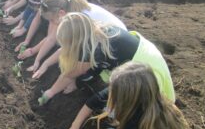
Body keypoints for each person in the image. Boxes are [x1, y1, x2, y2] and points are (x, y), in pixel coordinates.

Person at [38, 12, 175, 105]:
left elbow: (69, 75)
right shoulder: (97, 31)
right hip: (147, 52)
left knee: (137, 104)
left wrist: (50, 92)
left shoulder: (96, 51)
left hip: (146, 70)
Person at [16, 0, 126, 79]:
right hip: (110, 37)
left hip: (115, 42)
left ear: (61, 14)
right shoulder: (70, 11)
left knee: (87, 72)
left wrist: (71, 78)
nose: (52, 23)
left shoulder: (78, 21)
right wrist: (38, 58)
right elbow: (51, 38)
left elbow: (68, 48)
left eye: (52, 20)